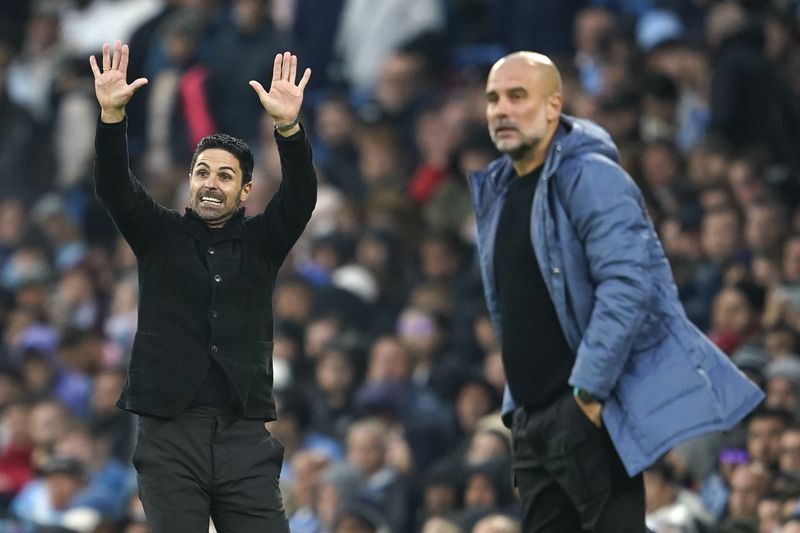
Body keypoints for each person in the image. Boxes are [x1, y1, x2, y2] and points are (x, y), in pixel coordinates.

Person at [468, 51, 764, 532]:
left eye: (517, 96)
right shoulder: (499, 190)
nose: (501, 109)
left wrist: (588, 389)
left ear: (553, 106)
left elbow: (628, 285)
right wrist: (516, 406)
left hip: (582, 406)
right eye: (493, 99)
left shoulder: (592, 177)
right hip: (531, 417)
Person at [88, 40, 316, 532]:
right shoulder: (158, 235)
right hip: (169, 437)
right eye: (203, 172)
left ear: (246, 190)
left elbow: (300, 199)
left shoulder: (263, 243)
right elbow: (114, 187)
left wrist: (288, 130)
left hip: (244, 439)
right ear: (190, 180)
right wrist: (111, 116)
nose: (211, 183)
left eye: (226, 176)